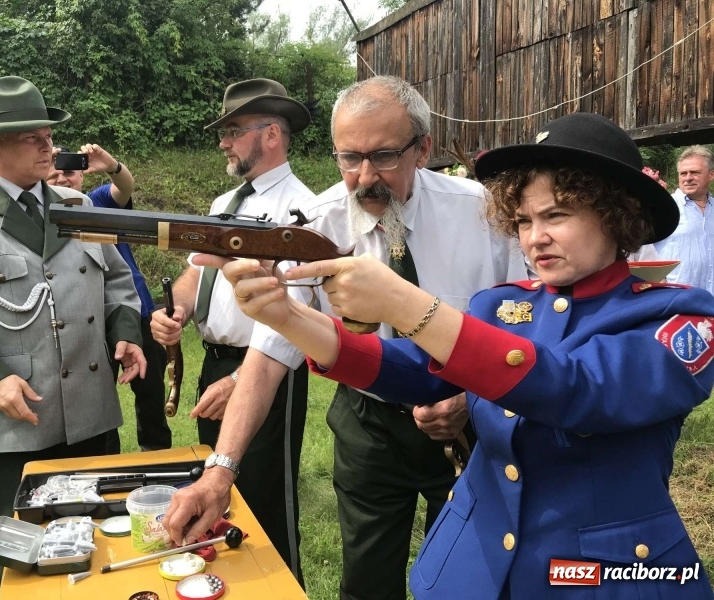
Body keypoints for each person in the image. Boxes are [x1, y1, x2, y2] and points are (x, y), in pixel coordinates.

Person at [201, 112, 714, 599]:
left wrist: (405, 304)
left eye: (556, 215)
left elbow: (577, 389)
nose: (535, 237)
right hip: (478, 564)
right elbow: (419, 371)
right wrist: (289, 317)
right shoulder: (506, 303)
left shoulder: (681, 317)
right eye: (523, 220)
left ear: (616, 214)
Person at [162, 75, 527, 600]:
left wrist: (470, 396)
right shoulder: (316, 224)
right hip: (370, 426)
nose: (363, 178)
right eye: (347, 158)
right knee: (366, 582)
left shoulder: (479, 211)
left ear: (422, 148)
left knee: (472, 577)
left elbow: (521, 322)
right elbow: (269, 352)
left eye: (382, 156)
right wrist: (219, 472)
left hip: (475, 421)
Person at [0, 76, 146, 594]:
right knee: (24, 564)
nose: (48, 146)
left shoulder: (77, 207)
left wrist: (124, 331)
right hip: (13, 419)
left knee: (99, 544)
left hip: (90, 410)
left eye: (48, 134)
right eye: (30, 137)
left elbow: (116, 280)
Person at [149, 78, 314, 581]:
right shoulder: (225, 201)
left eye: (234, 131)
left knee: (265, 506)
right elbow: (196, 274)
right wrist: (174, 313)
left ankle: (279, 588)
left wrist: (242, 378)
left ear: (271, 134)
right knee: (215, 498)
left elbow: (298, 313)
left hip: (265, 373)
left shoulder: (302, 209)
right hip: (214, 365)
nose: (222, 142)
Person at [46, 143, 172, 451]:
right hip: (87, 321)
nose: (64, 180)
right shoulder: (43, 214)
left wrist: (111, 165)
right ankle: (106, 460)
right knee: (98, 401)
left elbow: (125, 186)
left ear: (82, 176)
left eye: (70, 173)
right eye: (54, 176)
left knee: (151, 394)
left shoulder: (97, 201)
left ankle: (155, 458)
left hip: (136, 310)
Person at [655, 145, 714, 294]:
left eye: (694, 172)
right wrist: (657, 281)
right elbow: (638, 248)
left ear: (711, 175)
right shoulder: (663, 208)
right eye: (683, 173)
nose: (688, 178)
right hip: (676, 300)